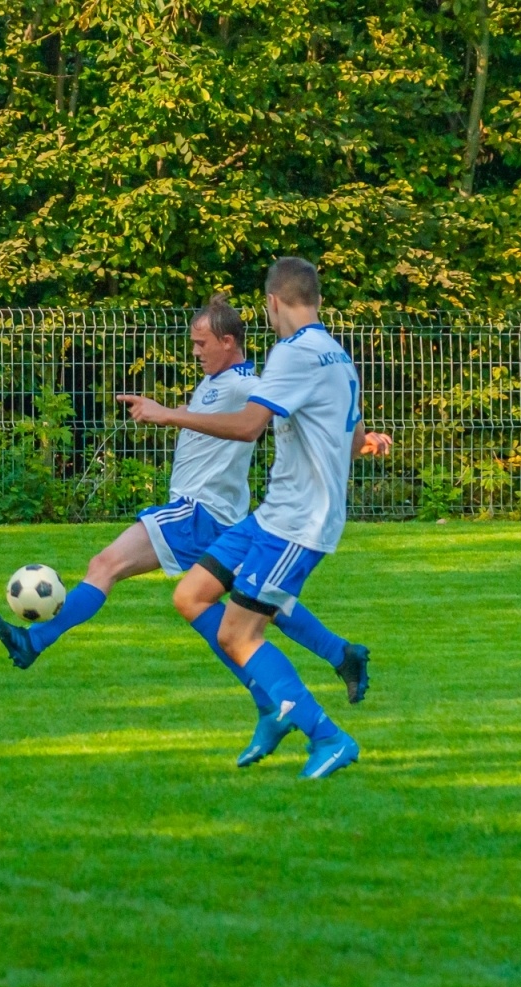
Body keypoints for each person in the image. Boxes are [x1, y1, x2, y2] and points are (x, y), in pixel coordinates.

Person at [0, 296, 391, 728]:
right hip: (213, 514)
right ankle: (337, 653)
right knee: (261, 602)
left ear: (228, 342)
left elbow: (290, 404)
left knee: (108, 565)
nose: (195, 351)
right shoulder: (217, 380)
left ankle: (35, 642)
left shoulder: (243, 383)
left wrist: (360, 438)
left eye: (202, 343)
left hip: (200, 512)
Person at [117, 258, 379, 778]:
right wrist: (362, 445)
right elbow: (350, 437)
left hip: (299, 523)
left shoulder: (291, 353)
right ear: (316, 300)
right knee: (191, 596)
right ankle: (272, 706)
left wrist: (163, 413)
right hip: (273, 514)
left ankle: (327, 736)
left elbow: (247, 426)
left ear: (272, 303)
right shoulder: (336, 355)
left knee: (238, 635)